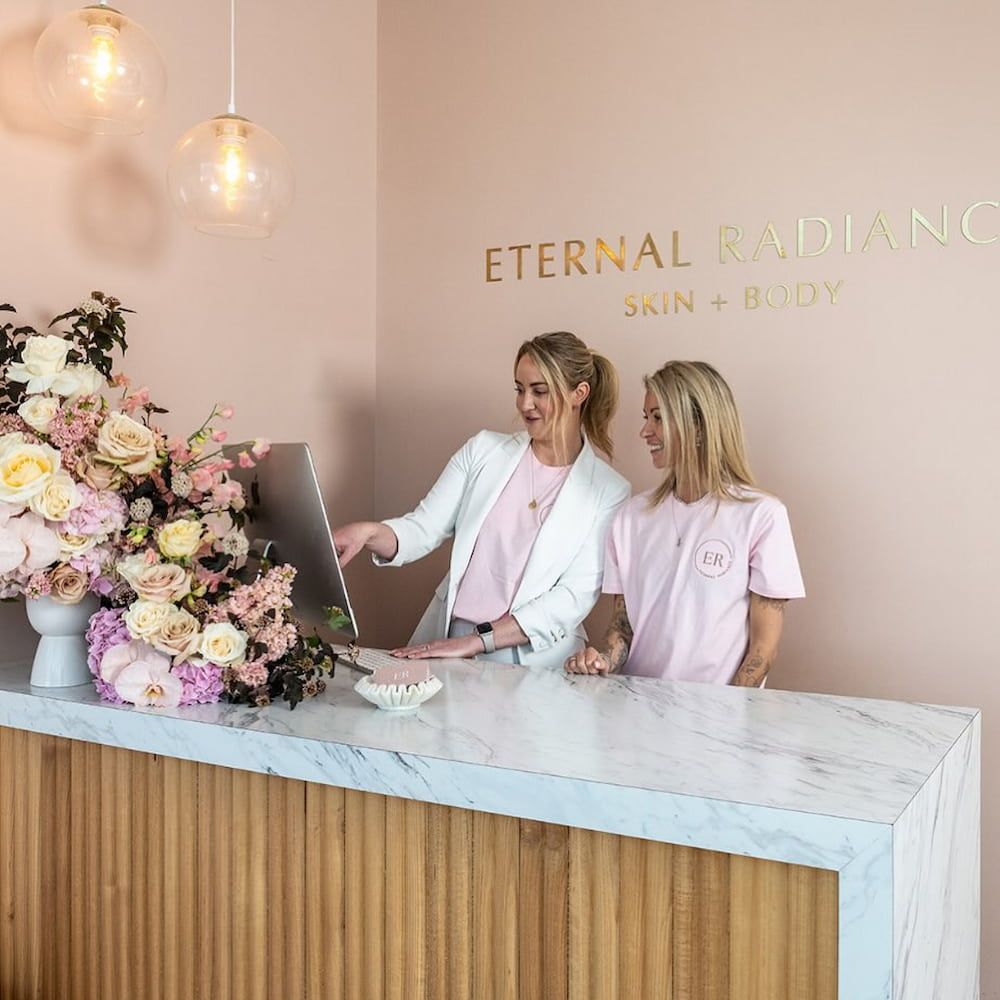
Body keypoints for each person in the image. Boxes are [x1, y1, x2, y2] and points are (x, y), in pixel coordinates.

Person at [333, 332, 630, 668]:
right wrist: (368, 533)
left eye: (539, 391)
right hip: (453, 641)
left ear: (579, 394)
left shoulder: (609, 491)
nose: (524, 404)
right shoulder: (483, 451)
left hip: (535, 659)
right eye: (519, 389)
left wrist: (477, 642)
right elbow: (423, 528)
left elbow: (573, 597)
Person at [565, 361, 804, 686]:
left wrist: (717, 721)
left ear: (700, 426)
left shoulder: (762, 516)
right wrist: (600, 660)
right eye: (646, 417)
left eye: (659, 418)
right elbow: (622, 629)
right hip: (637, 712)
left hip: (720, 721)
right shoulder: (630, 517)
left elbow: (763, 651)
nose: (645, 431)